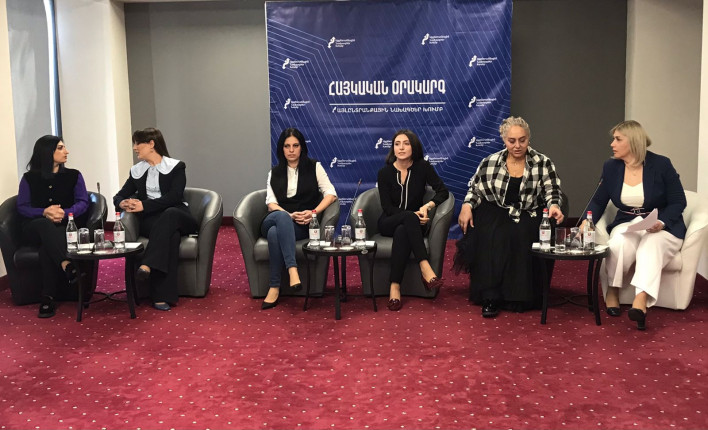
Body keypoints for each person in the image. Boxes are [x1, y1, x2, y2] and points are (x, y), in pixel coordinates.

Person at [455, 116, 564, 318]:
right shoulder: (490, 162)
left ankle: (521, 296)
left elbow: (552, 190)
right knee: (493, 235)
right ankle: (490, 297)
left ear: (528, 138)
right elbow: (475, 189)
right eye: (511, 141)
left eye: (522, 140)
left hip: (529, 210)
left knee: (521, 234)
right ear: (504, 140)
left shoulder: (542, 162)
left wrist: (554, 206)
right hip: (497, 209)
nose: (517, 145)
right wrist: (467, 206)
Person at [585, 120, 686, 330]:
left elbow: (678, 201)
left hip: (662, 225)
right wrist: (587, 221)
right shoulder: (611, 167)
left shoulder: (661, 164)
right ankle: (613, 290)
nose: (612, 144)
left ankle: (640, 301)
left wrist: (661, 221)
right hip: (627, 221)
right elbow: (598, 201)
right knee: (618, 243)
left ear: (632, 142)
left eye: (617, 139)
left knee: (651, 245)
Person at [113, 128, 198, 311]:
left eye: (138, 143)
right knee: (171, 237)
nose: (134, 148)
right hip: (154, 222)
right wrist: (123, 203)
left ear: (151, 144)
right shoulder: (137, 171)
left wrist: (144, 206)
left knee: (170, 214)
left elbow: (174, 197)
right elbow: (118, 196)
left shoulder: (176, 167)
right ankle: (161, 297)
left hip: (179, 216)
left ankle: (147, 263)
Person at [261, 127, 337, 310]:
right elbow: (271, 203)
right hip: (275, 218)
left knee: (274, 234)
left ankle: (274, 287)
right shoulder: (274, 172)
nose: (291, 150)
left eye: (295, 145)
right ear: (281, 149)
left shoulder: (314, 167)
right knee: (280, 219)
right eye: (287, 146)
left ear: (302, 147)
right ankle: (292, 269)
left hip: (301, 224)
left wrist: (313, 212)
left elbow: (331, 194)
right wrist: (288, 215)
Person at [17, 135, 89, 318]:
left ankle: (47, 298)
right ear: (47, 152)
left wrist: (65, 213)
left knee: (47, 248)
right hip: (35, 227)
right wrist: (44, 212)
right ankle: (67, 264)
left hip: (64, 226)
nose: (67, 152)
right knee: (44, 225)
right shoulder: (29, 178)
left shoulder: (74, 175)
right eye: (60, 148)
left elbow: (83, 202)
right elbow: (22, 207)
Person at [376, 129, 449, 311]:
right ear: (393, 149)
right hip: (389, 222)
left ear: (413, 147)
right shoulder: (384, 173)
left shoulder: (423, 167)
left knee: (403, 230)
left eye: (406, 143)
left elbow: (443, 192)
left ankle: (394, 287)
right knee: (408, 218)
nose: (401, 148)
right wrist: (413, 216)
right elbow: (387, 208)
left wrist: (427, 207)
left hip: (414, 224)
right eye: (397, 144)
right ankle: (425, 267)